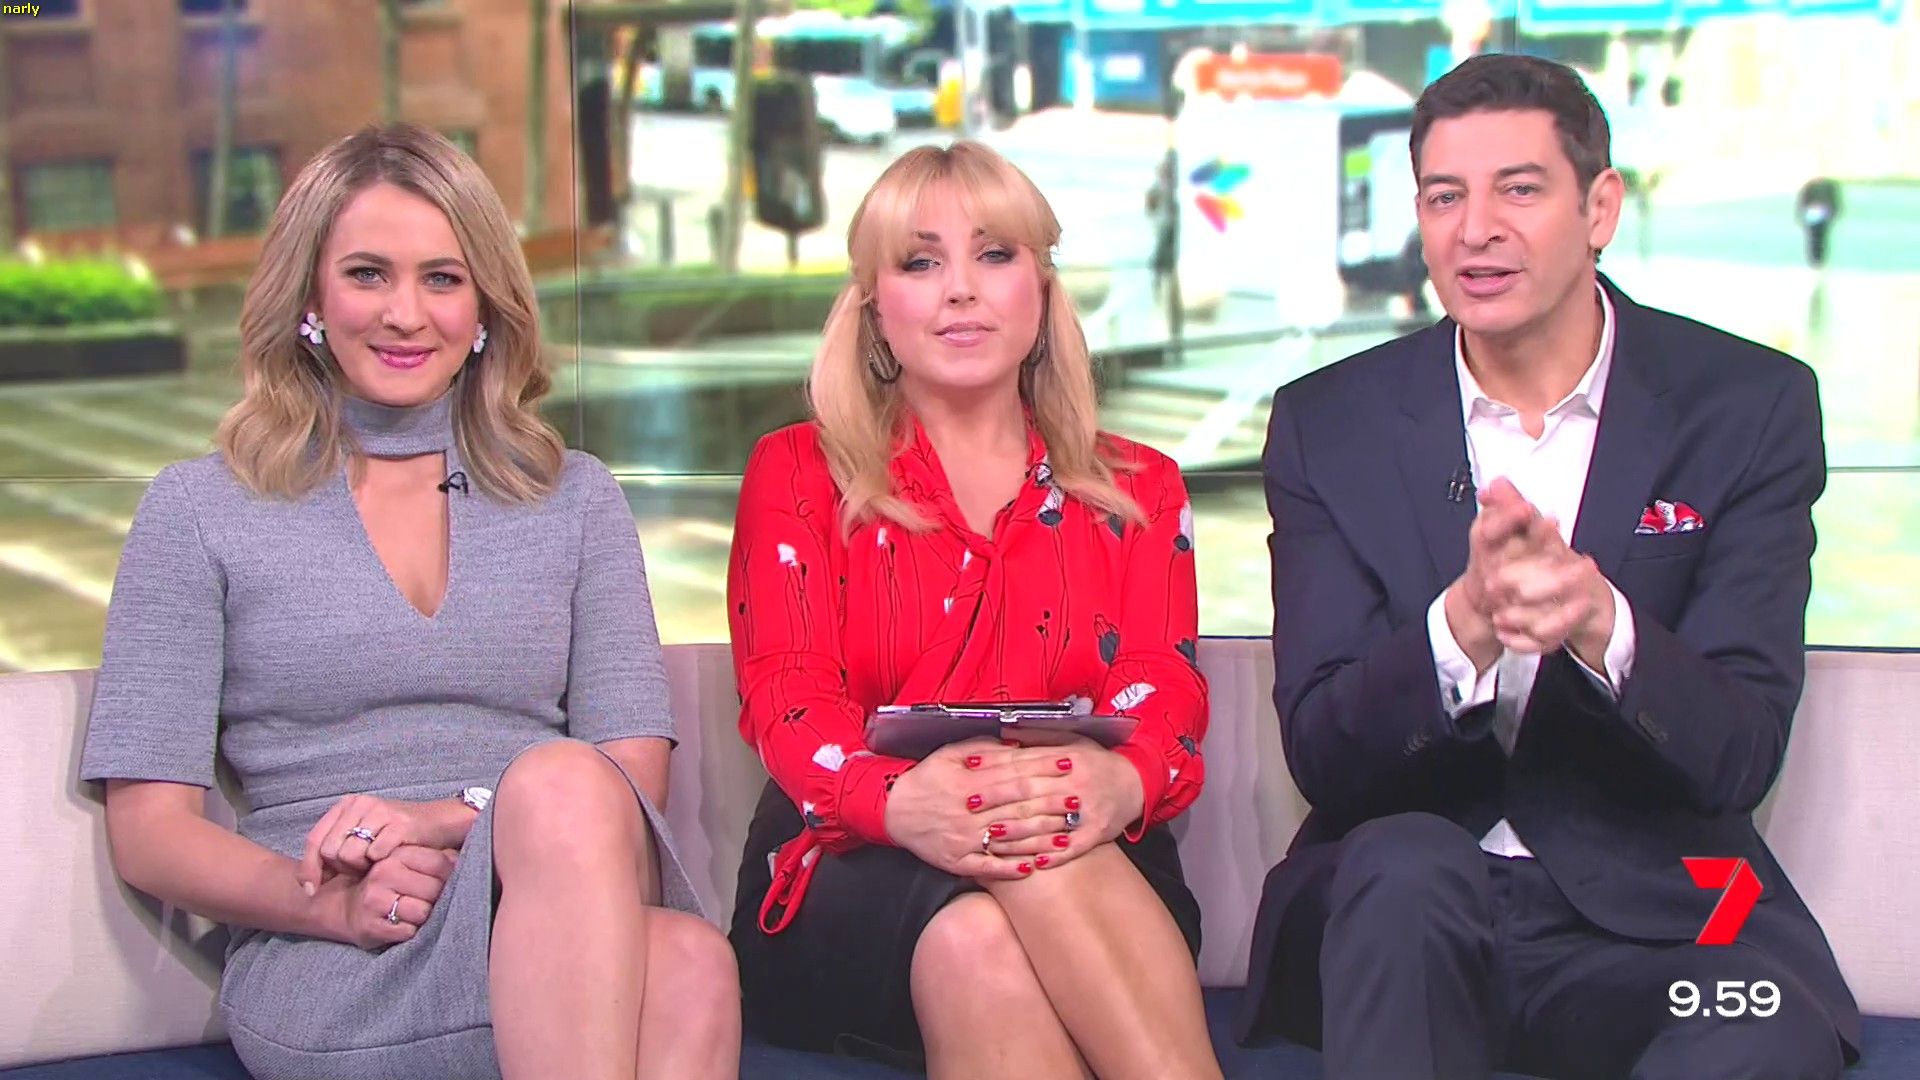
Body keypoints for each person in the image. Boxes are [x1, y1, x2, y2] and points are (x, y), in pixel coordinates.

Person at [1237, 55, 1859, 1080]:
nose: (1475, 229)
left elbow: (1741, 753)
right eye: (1445, 197)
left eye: (1518, 190)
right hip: (1405, 918)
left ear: (1599, 208)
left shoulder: (1747, 406)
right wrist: (1462, 631)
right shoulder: (1329, 423)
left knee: (1761, 1021)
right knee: (1403, 866)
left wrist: (1603, 624)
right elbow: (1323, 753)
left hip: (1669, 917)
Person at [79, 123, 738, 1080]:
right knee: (673, 960)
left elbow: (630, 785)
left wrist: (440, 819)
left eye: (442, 278)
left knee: (688, 956)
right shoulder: (199, 508)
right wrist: (331, 903)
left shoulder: (576, 498)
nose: (405, 314)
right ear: (311, 297)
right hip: (337, 942)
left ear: (485, 307)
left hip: (547, 896)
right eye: (367, 275)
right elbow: (150, 835)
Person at [726, 140, 1222, 1079]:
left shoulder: (1139, 487)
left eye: (994, 254)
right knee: (987, 909)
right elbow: (787, 697)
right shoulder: (796, 472)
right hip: (850, 858)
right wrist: (897, 801)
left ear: (1041, 288)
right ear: (875, 303)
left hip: (1089, 851)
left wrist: (1120, 784)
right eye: (921, 263)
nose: (961, 290)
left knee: (1004, 891)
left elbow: (1162, 683)